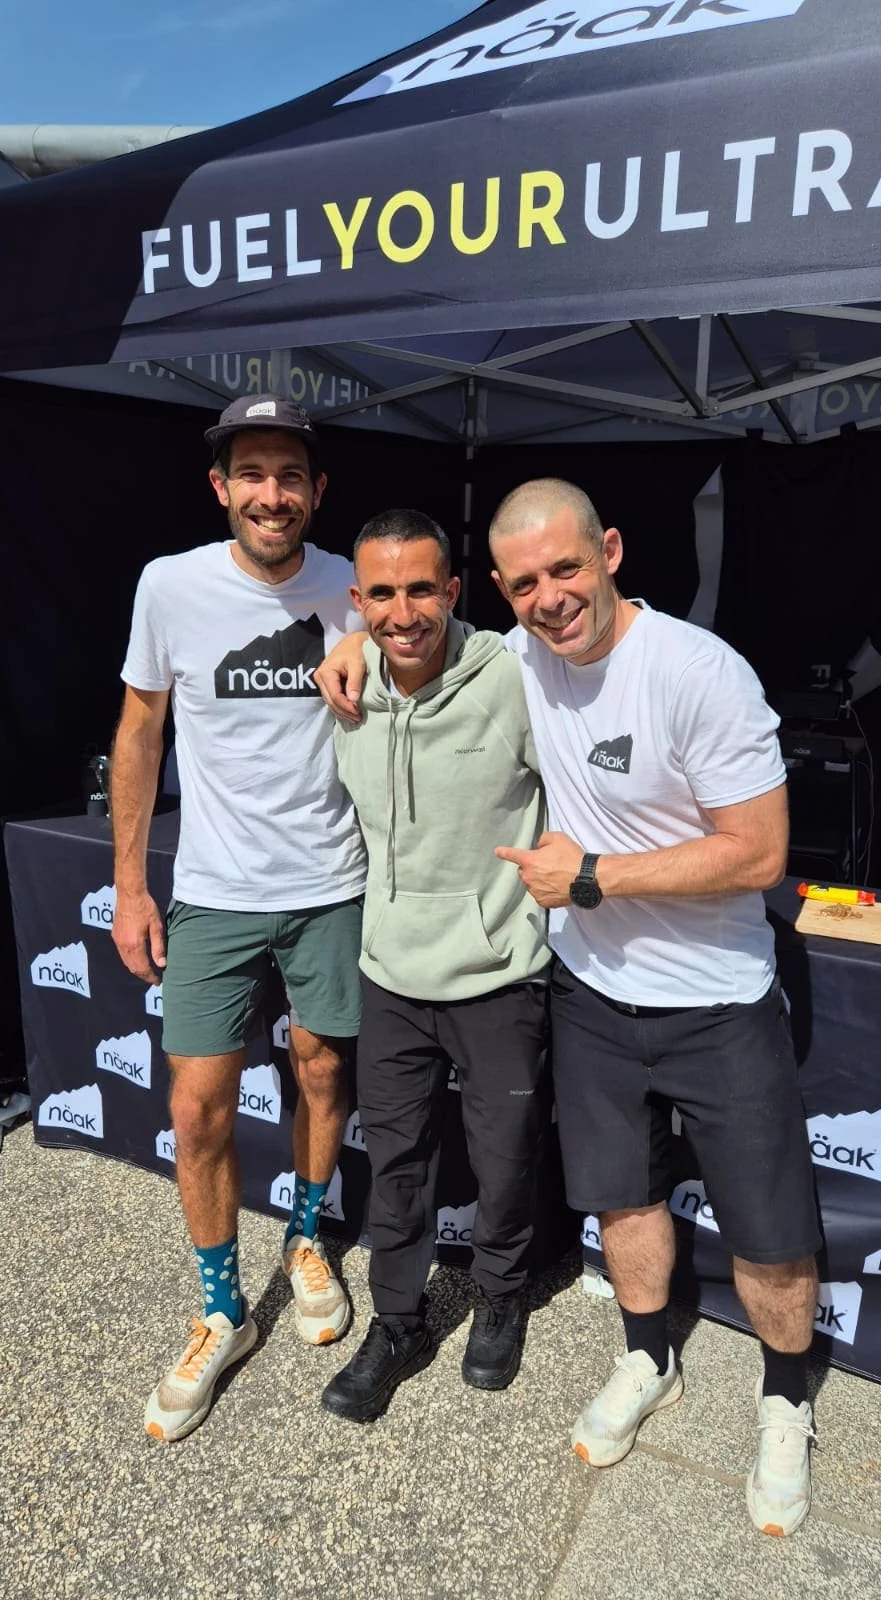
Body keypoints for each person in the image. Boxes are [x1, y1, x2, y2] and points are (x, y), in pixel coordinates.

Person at [316, 479, 822, 1537]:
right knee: (626, 1205)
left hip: (717, 1000)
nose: (550, 597)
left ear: (614, 552)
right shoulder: (517, 662)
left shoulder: (696, 670)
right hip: (591, 993)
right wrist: (350, 642)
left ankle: (786, 1397)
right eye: (528, 581)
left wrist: (594, 874)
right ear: (498, 590)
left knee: (771, 1233)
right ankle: (649, 1359)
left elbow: (764, 851)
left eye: (567, 568)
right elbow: (403, 631)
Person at [111, 396, 366, 1443]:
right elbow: (138, 729)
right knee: (201, 1105)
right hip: (213, 890)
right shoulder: (169, 584)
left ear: (316, 490)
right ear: (221, 486)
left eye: (290, 474)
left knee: (321, 1071)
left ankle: (306, 1237)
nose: (273, 492)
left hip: (333, 886)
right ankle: (221, 1305)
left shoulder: (355, 584)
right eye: (251, 472)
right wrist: (131, 883)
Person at [320, 509, 551, 1423]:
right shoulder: (346, 683)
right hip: (390, 977)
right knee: (398, 1162)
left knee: (504, 1159)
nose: (403, 611)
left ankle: (500, 1295)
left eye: (422, 588)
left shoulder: (515, 677)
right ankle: (400, 1321)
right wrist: (346, 646)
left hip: (499, 975)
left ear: (454, 591)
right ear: (357, 600)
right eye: (381, 593)